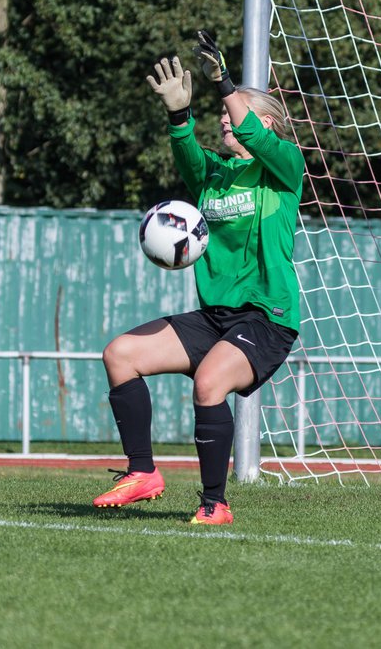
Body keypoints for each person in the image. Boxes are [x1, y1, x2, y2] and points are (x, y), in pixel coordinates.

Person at [94, 31, 304, 525]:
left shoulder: (285, 170)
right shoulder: (213, 176)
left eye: (233, 115)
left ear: (265, 123)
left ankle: (216, 505)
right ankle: (142, 473)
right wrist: (177, 114)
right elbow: (188, 153)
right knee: (120, 355)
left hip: (267, 315)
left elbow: (253, 134)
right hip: (215, 316)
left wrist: (225, 82)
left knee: (209, 383)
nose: (224, 120)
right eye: (223, 115)